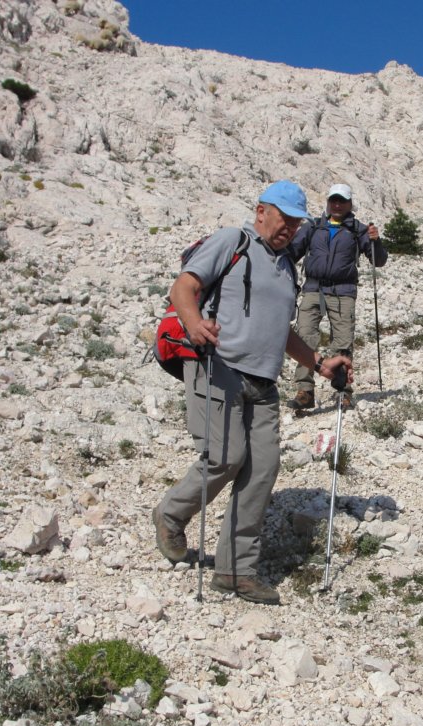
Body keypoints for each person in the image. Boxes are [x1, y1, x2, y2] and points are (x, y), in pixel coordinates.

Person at [152, 180, 353, 605]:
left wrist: (319, 363)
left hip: (263, 382)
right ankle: (170, 515)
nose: (290, 229)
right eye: (285, 219)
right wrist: (194, 324)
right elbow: (183, 287)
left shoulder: (287, 267)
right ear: (262, 211)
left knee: (262, 469)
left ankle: (235, 571)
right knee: (225, 457)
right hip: (217, 367)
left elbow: (283, 331)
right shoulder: (233, 242)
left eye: (297, 223)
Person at [285, 183, 387, 410]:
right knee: (304, 336)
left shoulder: (359, 230)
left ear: (350, 203)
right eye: (334, 200)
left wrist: (376, 241)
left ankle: (343, 391)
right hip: (313, 289)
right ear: (328, 202)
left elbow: (378, 260)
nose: (337, 205)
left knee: (343, 341)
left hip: (343, 291)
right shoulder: (313, 227)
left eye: (342, 201)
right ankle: (305, 391)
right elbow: (291, 253)